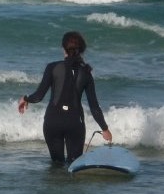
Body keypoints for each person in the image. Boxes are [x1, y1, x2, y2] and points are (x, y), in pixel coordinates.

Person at [17, 31, 112, 164]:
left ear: (64, 49)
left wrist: (26, 99)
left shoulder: (52, 67)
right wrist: (105, 129)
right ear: (82, 50)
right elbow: (94, 107)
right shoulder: (86, 73)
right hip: (74, 124)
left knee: (56, 165)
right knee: (74, 165)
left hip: (52, 122)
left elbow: (38, 96)